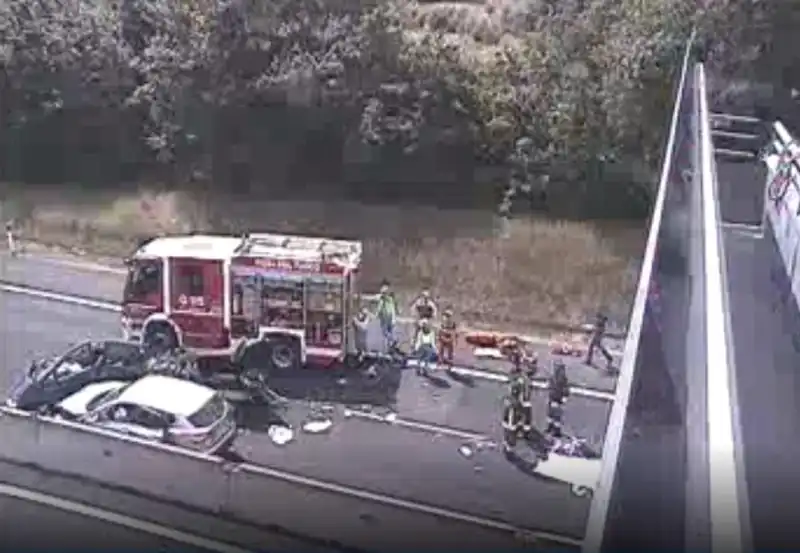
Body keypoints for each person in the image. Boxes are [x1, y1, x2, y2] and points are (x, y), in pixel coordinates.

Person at [546, 361, 571, 438]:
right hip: (552, 398)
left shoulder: (563, 379)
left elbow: (566, 389)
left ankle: (557, 432)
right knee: (550, 415)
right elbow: (549, 385)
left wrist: (564, 398)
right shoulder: (553, 377)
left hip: (557, 400)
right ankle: (550, 428)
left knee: (556, 417)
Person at [376, 282, 398, 352]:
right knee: (389, 332)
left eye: (383, 288)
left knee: (386, 332)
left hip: (386, 316)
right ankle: (390, 347)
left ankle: (392, 341)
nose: (381, 289)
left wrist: (376, 315)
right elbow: (393, 308)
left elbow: (380, 307)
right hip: (389, 317)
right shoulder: (390, 297)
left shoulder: (384, 297)